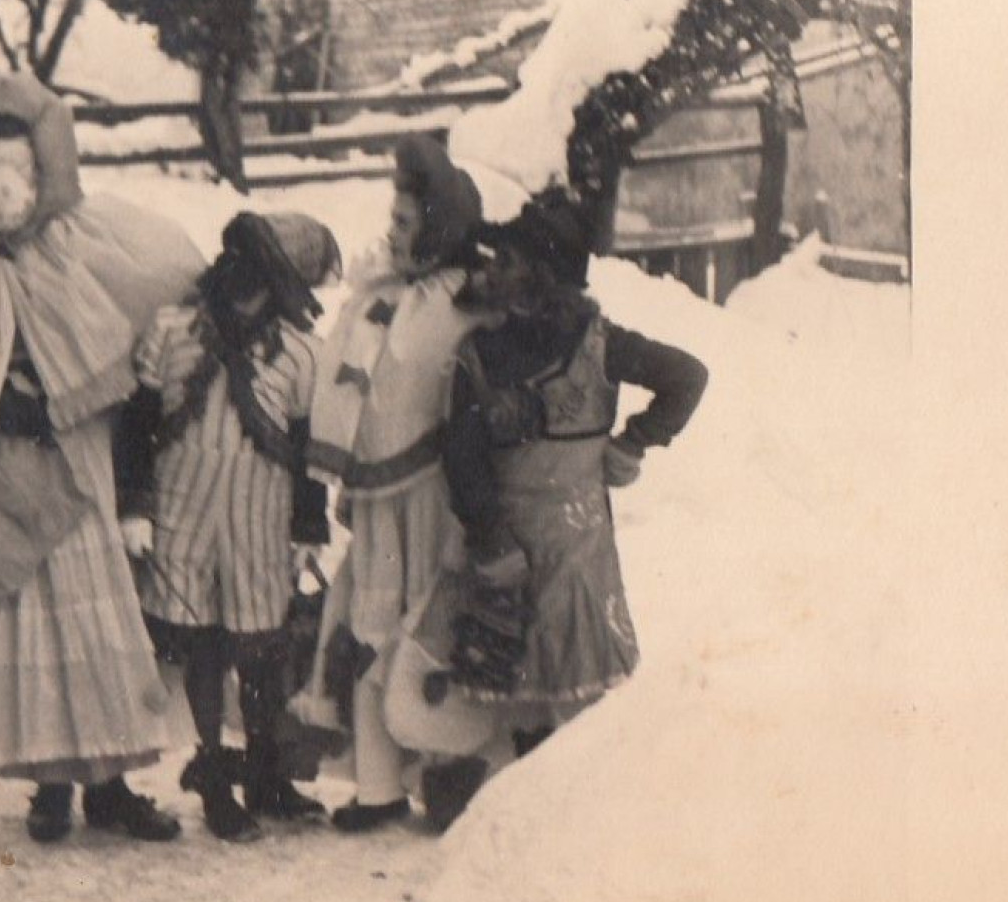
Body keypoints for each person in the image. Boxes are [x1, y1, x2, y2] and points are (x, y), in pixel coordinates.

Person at [0, 73, 205, 844]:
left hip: (73, 458)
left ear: (41, 180)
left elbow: (125, 334)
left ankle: (110, 785)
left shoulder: (79, 249)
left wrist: (69, 397)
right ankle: (51, 788)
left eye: (15, 179)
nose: (2, 195)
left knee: (91, 622)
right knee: (24, 623)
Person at [427, 188, 708, 821]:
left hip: (580, 550)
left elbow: (688, 376)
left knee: (585, 694)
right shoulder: (480, 354)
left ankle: (581, 821)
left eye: (510, 260)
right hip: (511, 546)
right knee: (525, 684)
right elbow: (462, 455)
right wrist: (489, 537)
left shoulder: (600, 343)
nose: (492, 270)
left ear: (544, 275)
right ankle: (533, 821)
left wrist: (635, 442)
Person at [115, 211, 340, 842]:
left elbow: (307, 447)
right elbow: (136, 420)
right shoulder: (172, 331)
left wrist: (307, 525)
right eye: (236, 268)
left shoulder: (298, 353)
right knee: (204, 646)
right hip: (183, 510)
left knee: (262, 649)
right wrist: (133, 505)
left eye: (262, 278)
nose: (244, 289)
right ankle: (214, 775)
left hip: (259, 518)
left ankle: (267, 776)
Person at [298, 134, 493, 833]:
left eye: (405, 221)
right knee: (367, 627)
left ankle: (448, 772)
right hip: (381, 507)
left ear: (439, 228)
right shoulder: (379, 298)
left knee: (430, 632)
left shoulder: (461, 304)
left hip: (439, 503)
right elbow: (351, 388)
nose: (391, 231)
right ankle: (377, 786)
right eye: (392, 217)